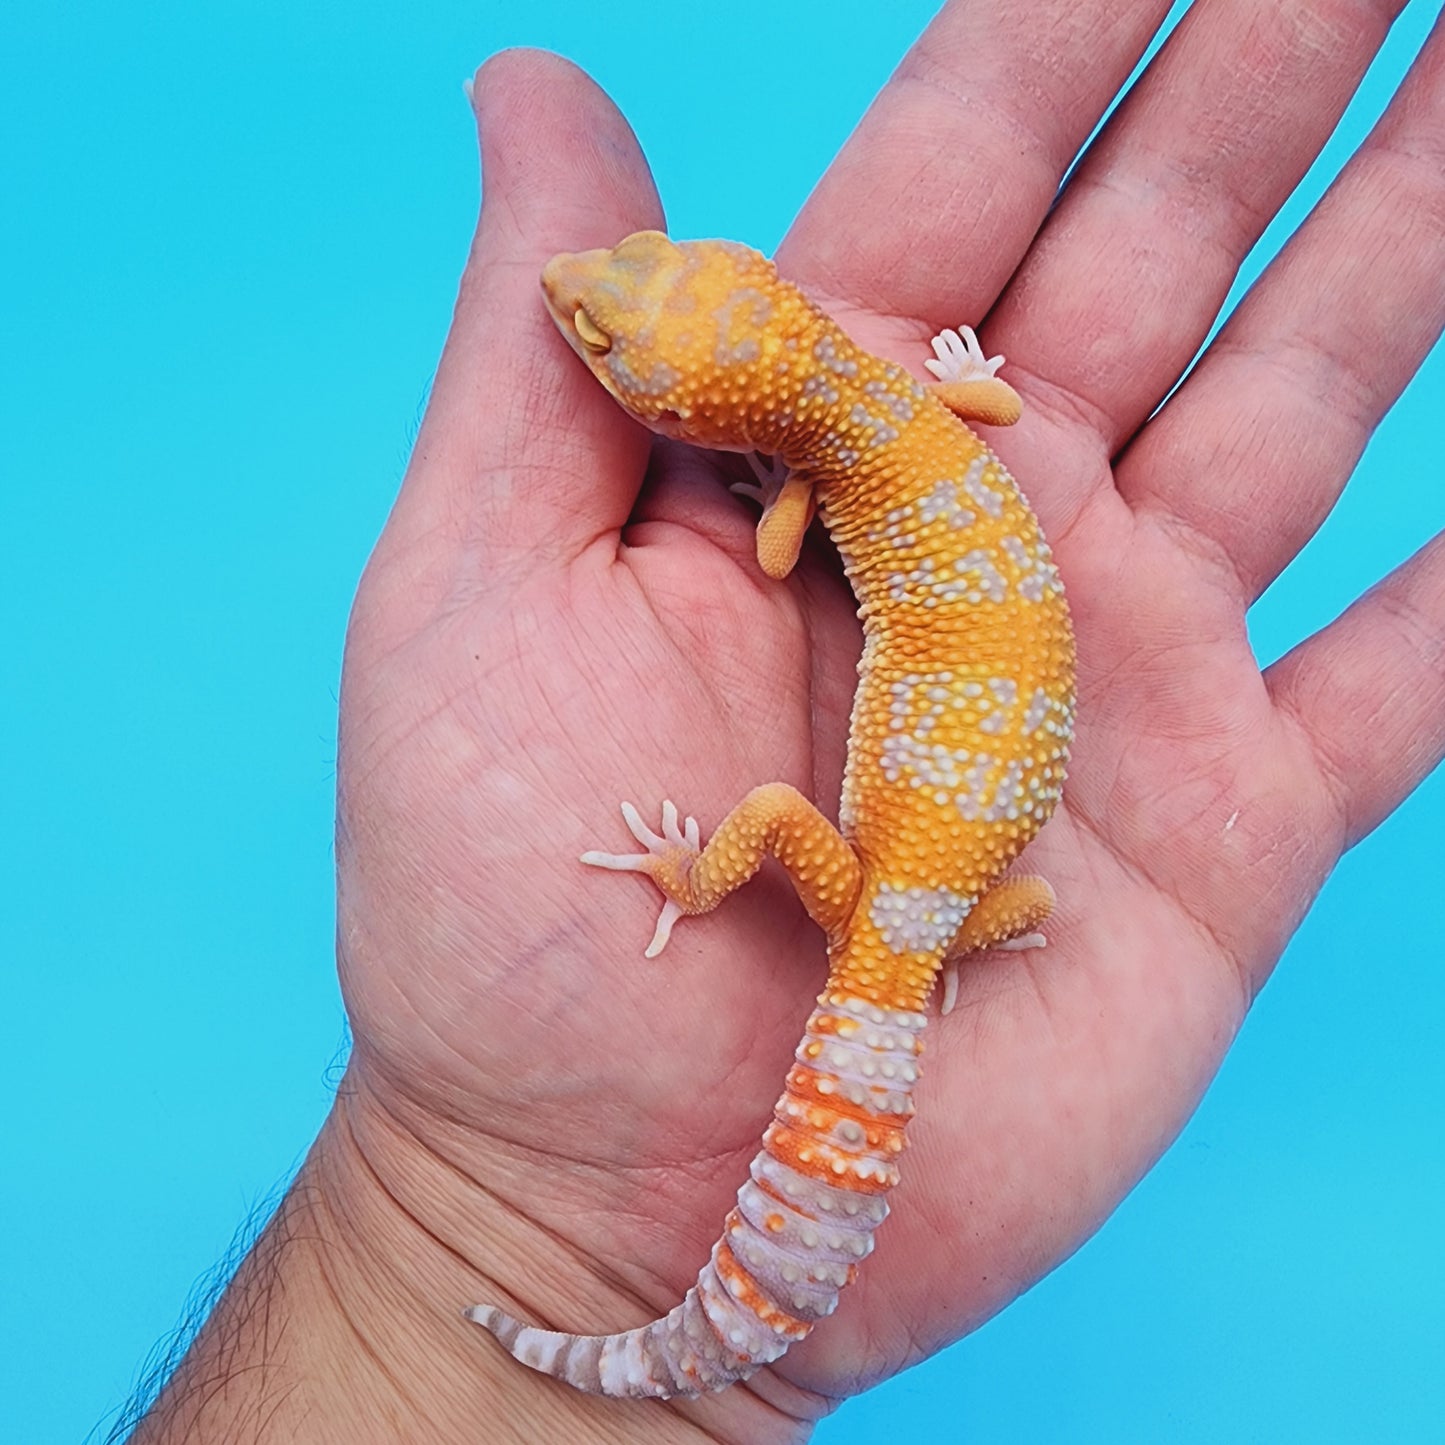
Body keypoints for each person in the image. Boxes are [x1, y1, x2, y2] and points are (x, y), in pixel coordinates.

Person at [132, 5, 1445, 1440]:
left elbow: (775, 551)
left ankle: (755, 947)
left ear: (702, 404)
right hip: (947, 888)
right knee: (870, 889)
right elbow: (982, 396)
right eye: (609, 301)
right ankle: (947, 947)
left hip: (925, 889)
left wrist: (764, 519)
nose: (581, 286)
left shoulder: (810, 473)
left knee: (760, 825)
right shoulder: (889, 408)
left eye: (606, 323)